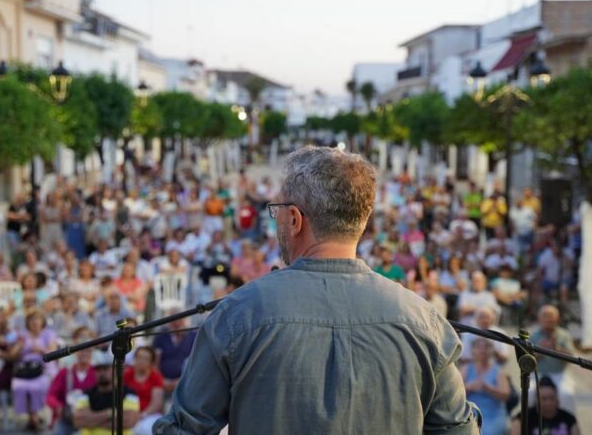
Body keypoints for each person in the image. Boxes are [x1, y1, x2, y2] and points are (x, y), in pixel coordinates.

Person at [153, 147, 478, 434]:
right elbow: (459, 428)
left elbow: (184, 429)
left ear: (294, 219)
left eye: (278, 209)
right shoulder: (424, 320)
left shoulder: (238, 314)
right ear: (361, 221)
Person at [12, 308, 58, 431]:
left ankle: (34, 419)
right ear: (27, 322)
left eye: (37, 319)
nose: (34, 322)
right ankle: (34, 418)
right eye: (31, 320)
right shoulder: (22, 336)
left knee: (37, 386)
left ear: (42, 321)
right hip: (25, 369)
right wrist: (20, 348)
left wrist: (40, 350)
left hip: (44, 367)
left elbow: (53, 352)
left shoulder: (49, 334)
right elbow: (14, 355)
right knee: (20, 386)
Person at [73, 350, 140, 435]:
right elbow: (79, 421)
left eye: (105, 369)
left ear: (115, 370)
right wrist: (111, 413)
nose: (101, 373)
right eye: (98, 370)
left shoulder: (129, 393)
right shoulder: (86, 394)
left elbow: (128, 421)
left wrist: (91, 419)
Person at [47, 327, 99, 435]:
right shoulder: (65, 372)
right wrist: (57, 406)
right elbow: (51, 395)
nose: (85, 354)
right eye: (81, 350)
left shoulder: (97, 373)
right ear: (76, 352)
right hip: (68, 418)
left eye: (88, 351)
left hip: (91, 419)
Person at [529, 305, 576, 412]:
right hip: (537, 374)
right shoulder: (533, 335)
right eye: (545, 316)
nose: (548, 319)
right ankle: (530, 425)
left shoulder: (564, 335)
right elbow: (527, 360)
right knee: (528, 393)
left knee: (567, 394)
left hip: (559, 374)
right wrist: (541, 350)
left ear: (557, 319)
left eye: (551, 316)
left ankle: (566, 424)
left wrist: (557, 349)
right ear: (539, 319)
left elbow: (570, 358)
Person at [460, 338, 510, 435]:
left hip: (494, 415)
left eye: (486, 347)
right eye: (479, 347)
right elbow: (455, 393)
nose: (482, 350)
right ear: (473, 350)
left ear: (492, 351)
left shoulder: (498, 370)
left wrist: (489, 389)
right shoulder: (465, 368)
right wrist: (470, 387)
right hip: (470, 414)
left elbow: (506, 395)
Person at [511, 376, 579, 435]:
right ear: (536, 400)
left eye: (551, 398)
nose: (548, 403)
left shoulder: (570, 419)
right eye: (544, 399)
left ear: (557, 399)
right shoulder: (521, 419)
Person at [124, 346, 164, 435]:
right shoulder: (126, 375)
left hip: (149, 415)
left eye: (146, 359)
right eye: (139, 357)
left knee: (144, 430)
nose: (142, 361)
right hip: (128, 414)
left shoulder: (156, 377)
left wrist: (141, 415)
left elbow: (156, 403)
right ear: (135, 359)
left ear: (151, 362)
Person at [152, 316, 195, 395]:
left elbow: (196, 363)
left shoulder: (193, 336)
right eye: (174, 324)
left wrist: (180, 381)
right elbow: (155, 362)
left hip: (186, 383)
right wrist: (161, 380)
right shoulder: (161, 336)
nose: (177, 326)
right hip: (162, 381)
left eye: (180, 323)